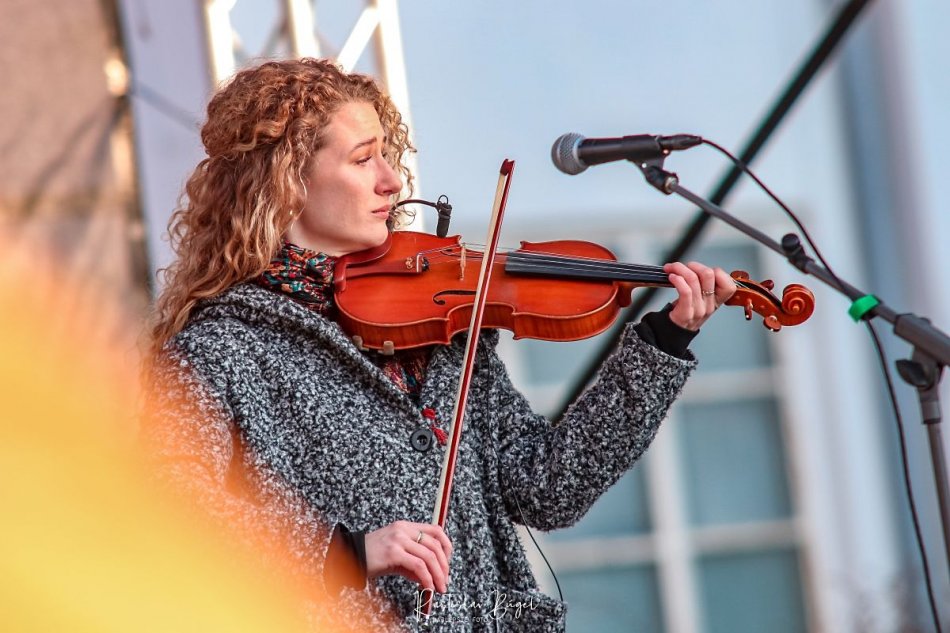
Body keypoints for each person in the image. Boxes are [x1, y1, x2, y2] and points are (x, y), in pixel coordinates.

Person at [144, 57, 736, 632]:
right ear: (288, 182)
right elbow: (168, 507)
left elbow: (549, 489)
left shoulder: (442, 327)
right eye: (363, 159)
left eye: (387, 155)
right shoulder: (220, 350)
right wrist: (345, 551)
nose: (391, 180)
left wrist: (664, 342)